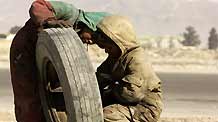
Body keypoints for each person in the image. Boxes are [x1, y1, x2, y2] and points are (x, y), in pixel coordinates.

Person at [10, 0, 109, 121]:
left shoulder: (75, 36)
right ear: (89, 25)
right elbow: (37, 5)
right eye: (94, 36)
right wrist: (49, 21)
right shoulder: (70, 13)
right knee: (29, 96)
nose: (92, 41)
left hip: (43, 53)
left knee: (48, 97)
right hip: (24, 50)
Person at [95, 15, 163, 122]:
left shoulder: (137, 59)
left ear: (120, 43)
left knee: (107, 116)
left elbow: (132, 94)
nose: (106, 51)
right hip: (124, 103)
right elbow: (99, 77)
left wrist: (110, 90)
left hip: (143, 108)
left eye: (109, 47)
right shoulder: (116, 57)